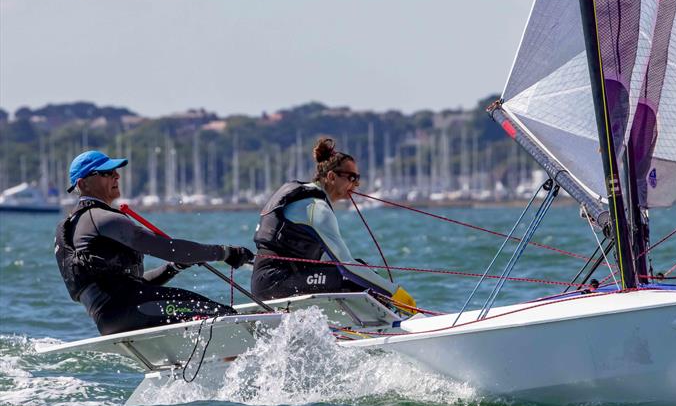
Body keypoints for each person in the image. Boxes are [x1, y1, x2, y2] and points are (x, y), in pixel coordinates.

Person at [55, 150, 254, 335]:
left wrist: (173, 268)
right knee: (225, 316)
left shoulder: (74, 226)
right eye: (106, 173)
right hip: (134, 309)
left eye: (115, 171)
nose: (116, 176)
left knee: (207, 314)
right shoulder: (101, 218)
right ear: (82, 184)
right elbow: (170, 248)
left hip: (109, 321)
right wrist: (226, 252)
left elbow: (131, 286)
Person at [251, 137, 416, 309]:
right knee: (354, 280)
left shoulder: (308, 201)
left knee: (363, 273)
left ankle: (359, 328)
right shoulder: (316, 207)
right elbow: (347, 267)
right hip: (277, 281)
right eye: (352, 177)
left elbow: (329, 260)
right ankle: (385, 327)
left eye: (358, 178)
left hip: (271, 282)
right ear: (331, 177)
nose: (357, 184)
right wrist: (395, 294)